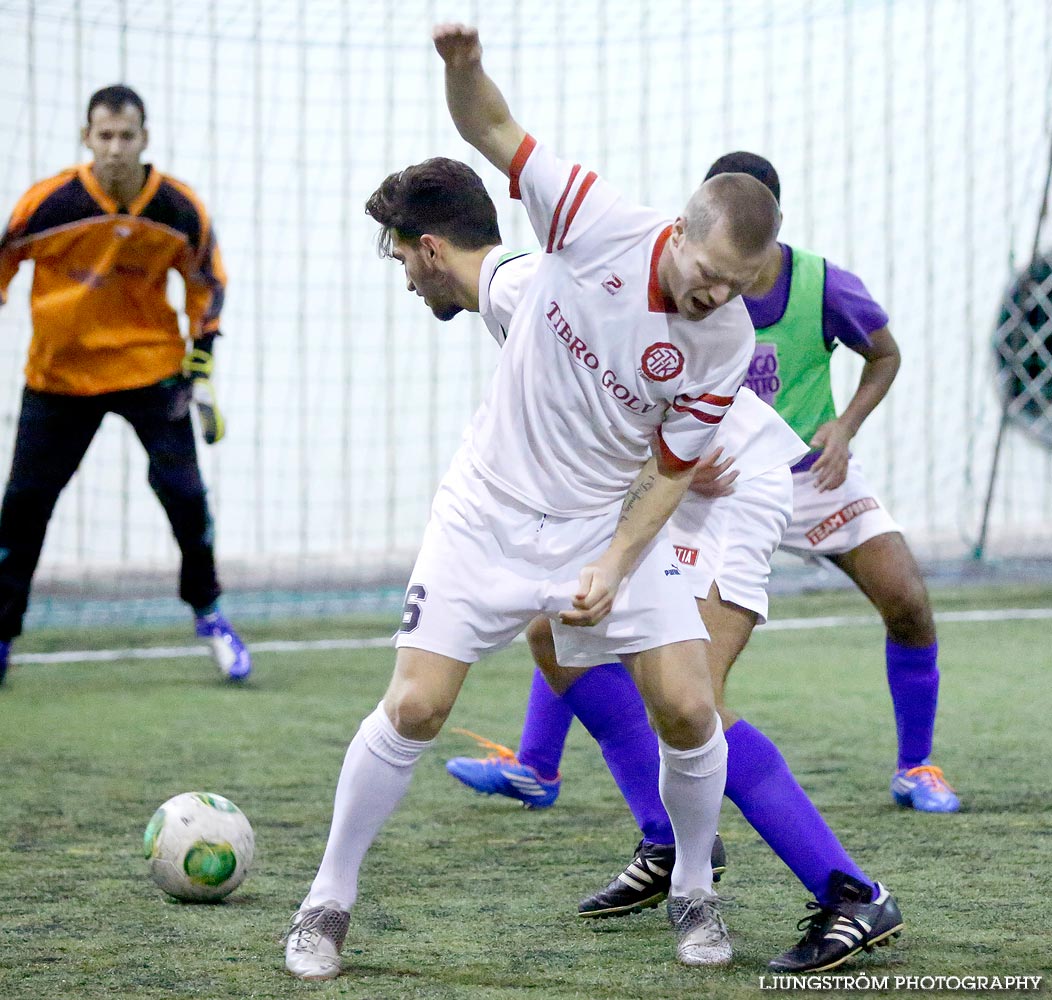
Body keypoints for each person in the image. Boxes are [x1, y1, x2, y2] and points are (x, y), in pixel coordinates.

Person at [281, 22, 782, 979]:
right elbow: (496, 129)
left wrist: (614, 563)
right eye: (707, 274)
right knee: (418, 707)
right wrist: (462, 68)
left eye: (739, 286)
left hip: (601, 523)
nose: (716, 297)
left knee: (686, 704)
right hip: (486, 514)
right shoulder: (590, 219)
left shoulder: (723, 343)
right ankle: (325, 903)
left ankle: (693, 889)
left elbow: (673, 469)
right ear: (676, 232)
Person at [414, 170, 904, 973]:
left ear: (431, 251)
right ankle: (672, 840)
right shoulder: (541, 292)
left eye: (400, 257)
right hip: (669, 483)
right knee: (551, 630)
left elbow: (668, 413)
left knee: (693, 700)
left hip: (729, 481)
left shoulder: (526, 285)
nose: (402, 278)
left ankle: (852, 894)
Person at [449, 152, 959, 819]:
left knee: (907, 600)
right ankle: (541, 766)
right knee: (590, 612)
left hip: (807, 474)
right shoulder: (672, 284)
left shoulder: (820, 284)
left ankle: (915, 766)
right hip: (703, 487)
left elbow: (885, 352)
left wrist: (846, 426)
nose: (720, 285)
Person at [0, 84, 250, 685]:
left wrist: (203, 359)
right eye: (104, 136)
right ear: (87, 138)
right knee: (23, 510)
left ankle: (209, 612)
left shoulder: (177, 209)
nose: (115, 148)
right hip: (58, 377)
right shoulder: (48, 204)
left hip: (150, 371)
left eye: (126, 136)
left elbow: (207, 282)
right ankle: (3, 634)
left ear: (144, 138)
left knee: (186, 496)